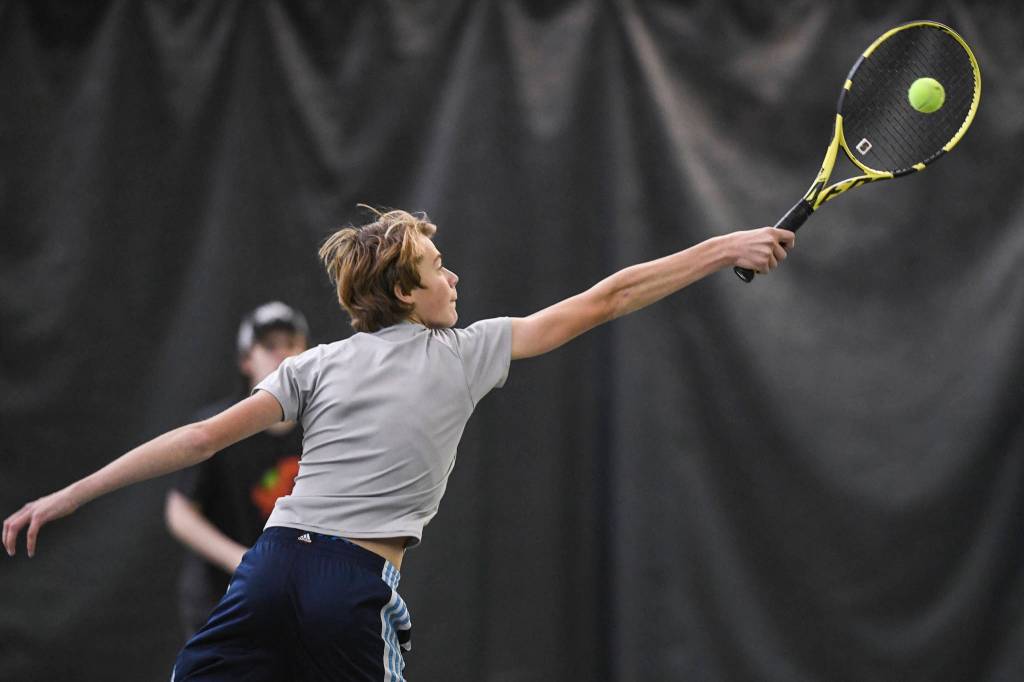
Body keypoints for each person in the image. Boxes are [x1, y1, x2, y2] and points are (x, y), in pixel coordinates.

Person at [3, 208, 794, 681]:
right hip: (348, 582)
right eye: (437, 268)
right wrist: (725, 248)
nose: (453, 277)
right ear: (406, 295)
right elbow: (609, 297)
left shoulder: (314, 364)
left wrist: (70, 494)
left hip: (271, 564)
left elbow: (201, 437)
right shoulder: (468, 350)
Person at [165, 301, 309, 638]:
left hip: (293, 601)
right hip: (220, 602)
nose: (281, 355)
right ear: (246, 359)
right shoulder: (215, 429)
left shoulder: (323, 430)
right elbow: (179, 511)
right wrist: (241, 560)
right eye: (269, 346)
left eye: (290, 344)